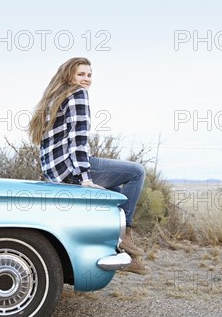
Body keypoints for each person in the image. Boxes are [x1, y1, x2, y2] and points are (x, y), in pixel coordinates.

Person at [29, 57, 148, 275]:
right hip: (72, 169)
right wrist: (85, 177)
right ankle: (124, 234)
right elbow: (78, 139)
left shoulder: (53, 99)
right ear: (69, 76)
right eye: (81, 74)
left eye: (89, 75)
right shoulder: (77, 95)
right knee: (136, 172)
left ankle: (119, 253)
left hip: (57, 173)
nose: (86, 79)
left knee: (117, 196)